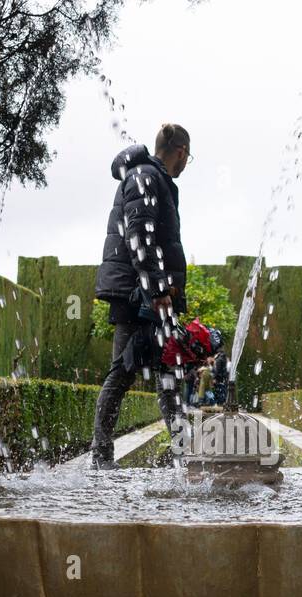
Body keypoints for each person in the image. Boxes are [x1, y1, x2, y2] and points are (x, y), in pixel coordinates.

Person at [89, 123, 192, 469]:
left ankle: (184, 454)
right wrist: (158, 288)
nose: (186, 164)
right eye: (188, 157)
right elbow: (139, 237)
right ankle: (101, 457)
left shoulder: (152, 177)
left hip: (146, 291)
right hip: (138, 295)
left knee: (168, 375)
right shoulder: (145, 175)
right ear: (180, 152)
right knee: (123, 372)